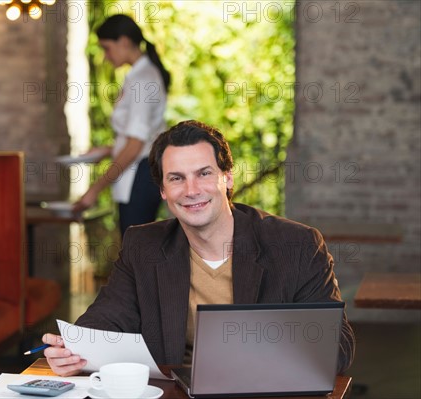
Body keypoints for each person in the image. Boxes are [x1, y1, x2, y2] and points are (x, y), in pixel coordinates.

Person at [45, 120, 355, 376]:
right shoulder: (144, 246)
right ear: (164, 192)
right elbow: (105, 321)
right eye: (177, 178)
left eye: (204, 174)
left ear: (227, 178)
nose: (191, 190)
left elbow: (337, 347)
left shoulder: (297, 246)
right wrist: (74, 350)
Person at [72, 14, 170, 236]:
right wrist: (107, 150)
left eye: (106, 48)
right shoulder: (139, 76)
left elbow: (136, 146)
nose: (105, 57)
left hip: (141, 174)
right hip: (139, 173)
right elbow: (138, 137)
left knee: (136, 252)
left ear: (124, 42)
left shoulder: (142, 80)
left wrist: (94, 190)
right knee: (136, 251)